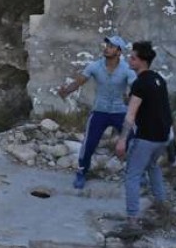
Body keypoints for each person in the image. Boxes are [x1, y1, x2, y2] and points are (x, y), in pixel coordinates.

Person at [54, 35, 136, 189]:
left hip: (120, 111)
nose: (107, 48)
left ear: (119, 52)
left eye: (111, 46)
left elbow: (136, 89)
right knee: (89, 143)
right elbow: (79, 82)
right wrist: (66, 91)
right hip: (100, 111)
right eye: (107, 45)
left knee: (132, 140)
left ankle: (136, 172)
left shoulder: (127, 69)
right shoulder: (95, 66)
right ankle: (82, 172)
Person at [115, 40, 173, 234]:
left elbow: (130, 115)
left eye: (132, 58)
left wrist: (122, 140)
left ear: (141, 61)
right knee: (153, 166)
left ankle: (132, 221)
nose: (129, 60)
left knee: (132, 175)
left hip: (146, 138)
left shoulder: (140, 83)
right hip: (162, 138)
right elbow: (163, 109)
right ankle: (162, 207)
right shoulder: (158, 79)